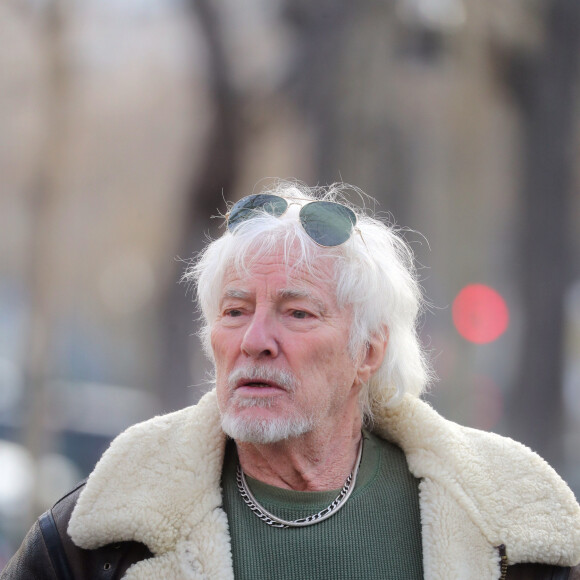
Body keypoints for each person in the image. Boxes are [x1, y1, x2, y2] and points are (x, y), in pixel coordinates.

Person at [3, 182, 580, 580]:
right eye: (234, 311)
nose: (255, 339)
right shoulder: (100, 535)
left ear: (368, 350)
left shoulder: (515, 526)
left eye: (297, 313)